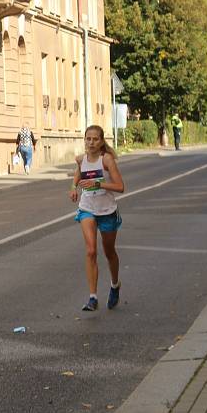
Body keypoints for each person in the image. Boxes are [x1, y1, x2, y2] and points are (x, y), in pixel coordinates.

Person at [69, 125, 125, 312]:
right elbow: (79, 172)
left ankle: (115, 285)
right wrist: (73, 187)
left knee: (109, 252)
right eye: (88, 139)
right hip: (87, 209)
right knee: (91, 251)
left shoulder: (106, 160)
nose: (91, 142)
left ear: (101, 141)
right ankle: (93, 297)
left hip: (107, 210)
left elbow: (120, 186)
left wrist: (98, 183)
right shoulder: (81, 159)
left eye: (95, 139)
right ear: (84, 140)